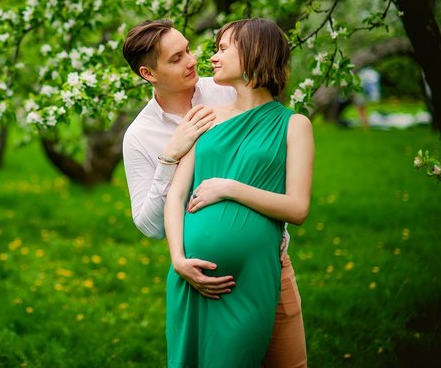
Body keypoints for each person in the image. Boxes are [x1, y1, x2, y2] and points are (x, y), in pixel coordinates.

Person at [121, 18, 308, 367]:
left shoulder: (227, 89)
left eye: (189, 49)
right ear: (149, 73)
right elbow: (151, 222)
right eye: (176, 58)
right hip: (194, 275)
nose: (195, 60)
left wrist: (229, 189)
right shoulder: (140, 136)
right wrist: (169, 156)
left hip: (267, 263)